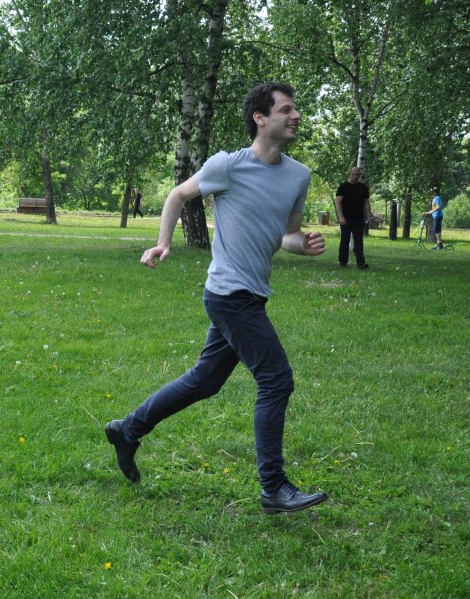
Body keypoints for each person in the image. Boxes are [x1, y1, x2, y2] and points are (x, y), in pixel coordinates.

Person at [104, 81, 329, 515]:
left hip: (253, 293)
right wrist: (163, 242)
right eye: (286, 109)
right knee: (276, 379)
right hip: (228, 294)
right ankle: (273, 487)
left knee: (205, 381)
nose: (295, 115)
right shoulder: (228, 165)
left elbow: (287, 236)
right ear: (261, 118)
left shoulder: (298, 175)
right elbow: (177, 194)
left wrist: (306, 245)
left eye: (295, 109)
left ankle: (127, 429)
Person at [334, 165, 371, 268]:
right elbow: (338, 202)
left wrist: (369, 216)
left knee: (358, 241)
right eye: (353, 174)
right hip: (345, 219)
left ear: (360, 175)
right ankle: (343, 262)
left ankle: (361, 263)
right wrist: (341, 217)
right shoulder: (343, 186)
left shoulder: (363, 188)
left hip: (359, 219)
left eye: (357, 174)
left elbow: (366, 203)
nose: (355, 176)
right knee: (345, 240)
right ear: (350, 174)